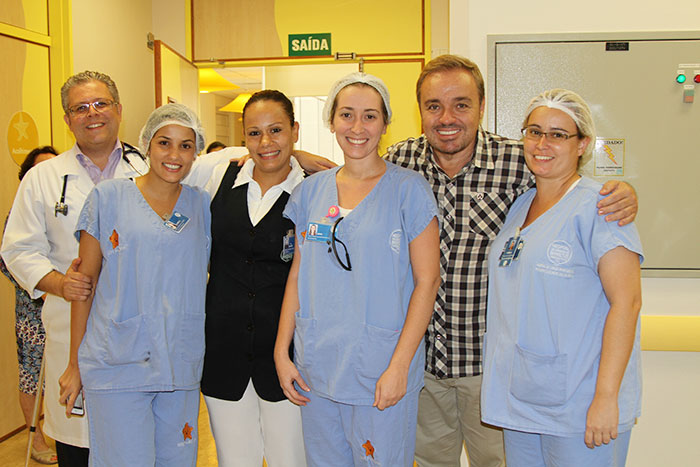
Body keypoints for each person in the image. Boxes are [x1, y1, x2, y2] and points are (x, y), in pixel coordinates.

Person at [380, 55, 639, 467]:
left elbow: (574, 186)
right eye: (434, 106)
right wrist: (289, 160)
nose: (447, 117)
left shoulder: (519, 162)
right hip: (423, 365)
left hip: (493, 371)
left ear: (481, 107)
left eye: (461, 104)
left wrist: (624, 191)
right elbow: (349, 180)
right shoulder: (398, 163)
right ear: (420, 111)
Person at [275, 72, 441, 466]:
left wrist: (400, 366)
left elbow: (427, 281)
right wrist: (283, 351)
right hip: (317, 366)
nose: (357, 127)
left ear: (385, 124)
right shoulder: (309, 192)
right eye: (346, 114)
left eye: (370, 116)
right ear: (331, 121)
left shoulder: (409, 190)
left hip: (380, 368)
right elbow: (297, 275)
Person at [480, 88, 642, 466]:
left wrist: (606, 398)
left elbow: (627, 302)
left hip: (580, 404)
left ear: (582, 144)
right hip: (521, 399)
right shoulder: (521, 206)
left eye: (558, 134)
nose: (542, 143)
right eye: (534, 132)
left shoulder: (600, 206)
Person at [1, 70, 149, 466]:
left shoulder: (151, 168)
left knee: (138, 444)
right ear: (67, 120)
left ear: (118, 109)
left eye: (101, 104)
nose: (92, 114)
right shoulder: (42, 178)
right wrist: (60, 284)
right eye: (79, 108)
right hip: (72, 331)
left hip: (141, 333)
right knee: (78, 448)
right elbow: (18, 249)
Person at [57, 103, 210, 466]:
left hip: (179, 362)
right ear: (146, 145)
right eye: (164, 143)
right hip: (117, 362)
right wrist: (75, 364)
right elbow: (84, 285)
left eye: (186, 146)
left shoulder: (201, 205)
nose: (174, 155)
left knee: (178, 460)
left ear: (196, 153)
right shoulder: (107, 198)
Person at [200, 90, 306, 466]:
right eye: (254, 133)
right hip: (223, 352)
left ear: (295, 129)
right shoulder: (218, 178)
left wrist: (303, 158)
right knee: (234, 460)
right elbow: (168, 162)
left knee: (290, 459)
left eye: (276, 130)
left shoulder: (312, 189)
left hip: (288, 358)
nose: (265, 142)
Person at [0, 145, 58, 465]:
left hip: (66, 305)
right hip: (33, 308)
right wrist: (44, 286)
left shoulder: (65, 208)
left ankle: (63, 432)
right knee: (33, 376)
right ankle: (35, 438)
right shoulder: (19, 213)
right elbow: (7, 261)